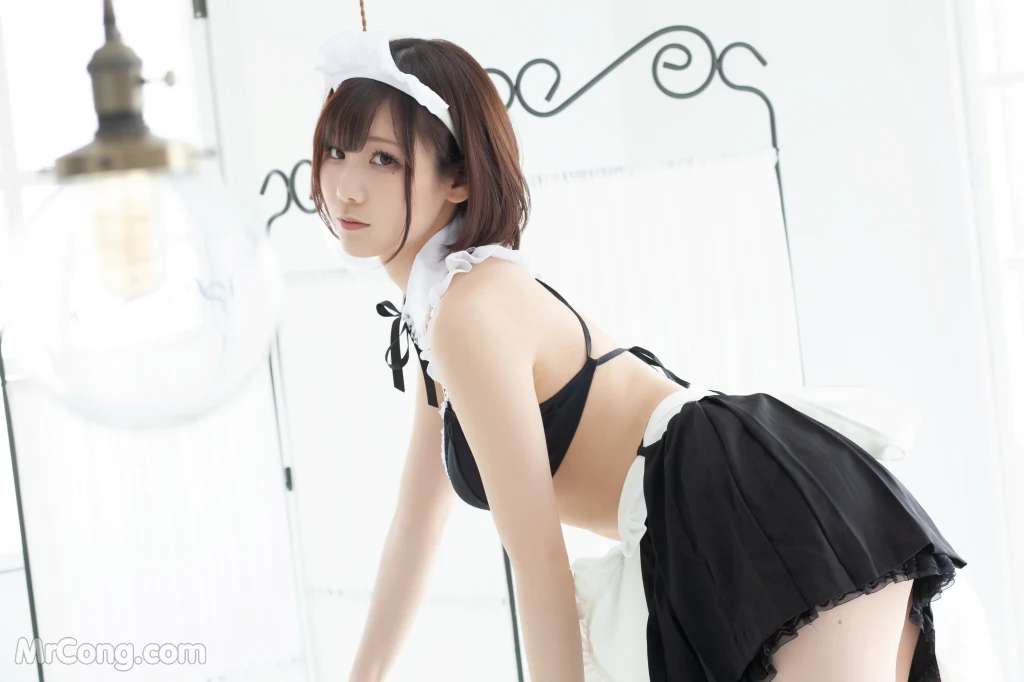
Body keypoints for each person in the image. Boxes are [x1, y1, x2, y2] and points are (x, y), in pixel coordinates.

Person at [310, 29, 967, 682]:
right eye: (337, 152)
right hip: (721, 517)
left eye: (384, 160)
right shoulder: (444, 314)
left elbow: (538, 561)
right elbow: (415, 526)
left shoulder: (469, 311)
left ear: (458, 178)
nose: (346, 188)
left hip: (750, 510)